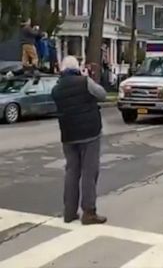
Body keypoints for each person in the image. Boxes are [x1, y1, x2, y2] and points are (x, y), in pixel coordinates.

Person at [51, 56, 107, 225]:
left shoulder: (56, 89)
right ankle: (89, 212)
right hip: (90, 133)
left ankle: (69, 211)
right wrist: (87, 76)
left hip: (68, 134)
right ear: (77, 68)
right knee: (89, 173)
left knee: (71, 172)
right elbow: (102, 95)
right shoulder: (84, 82)